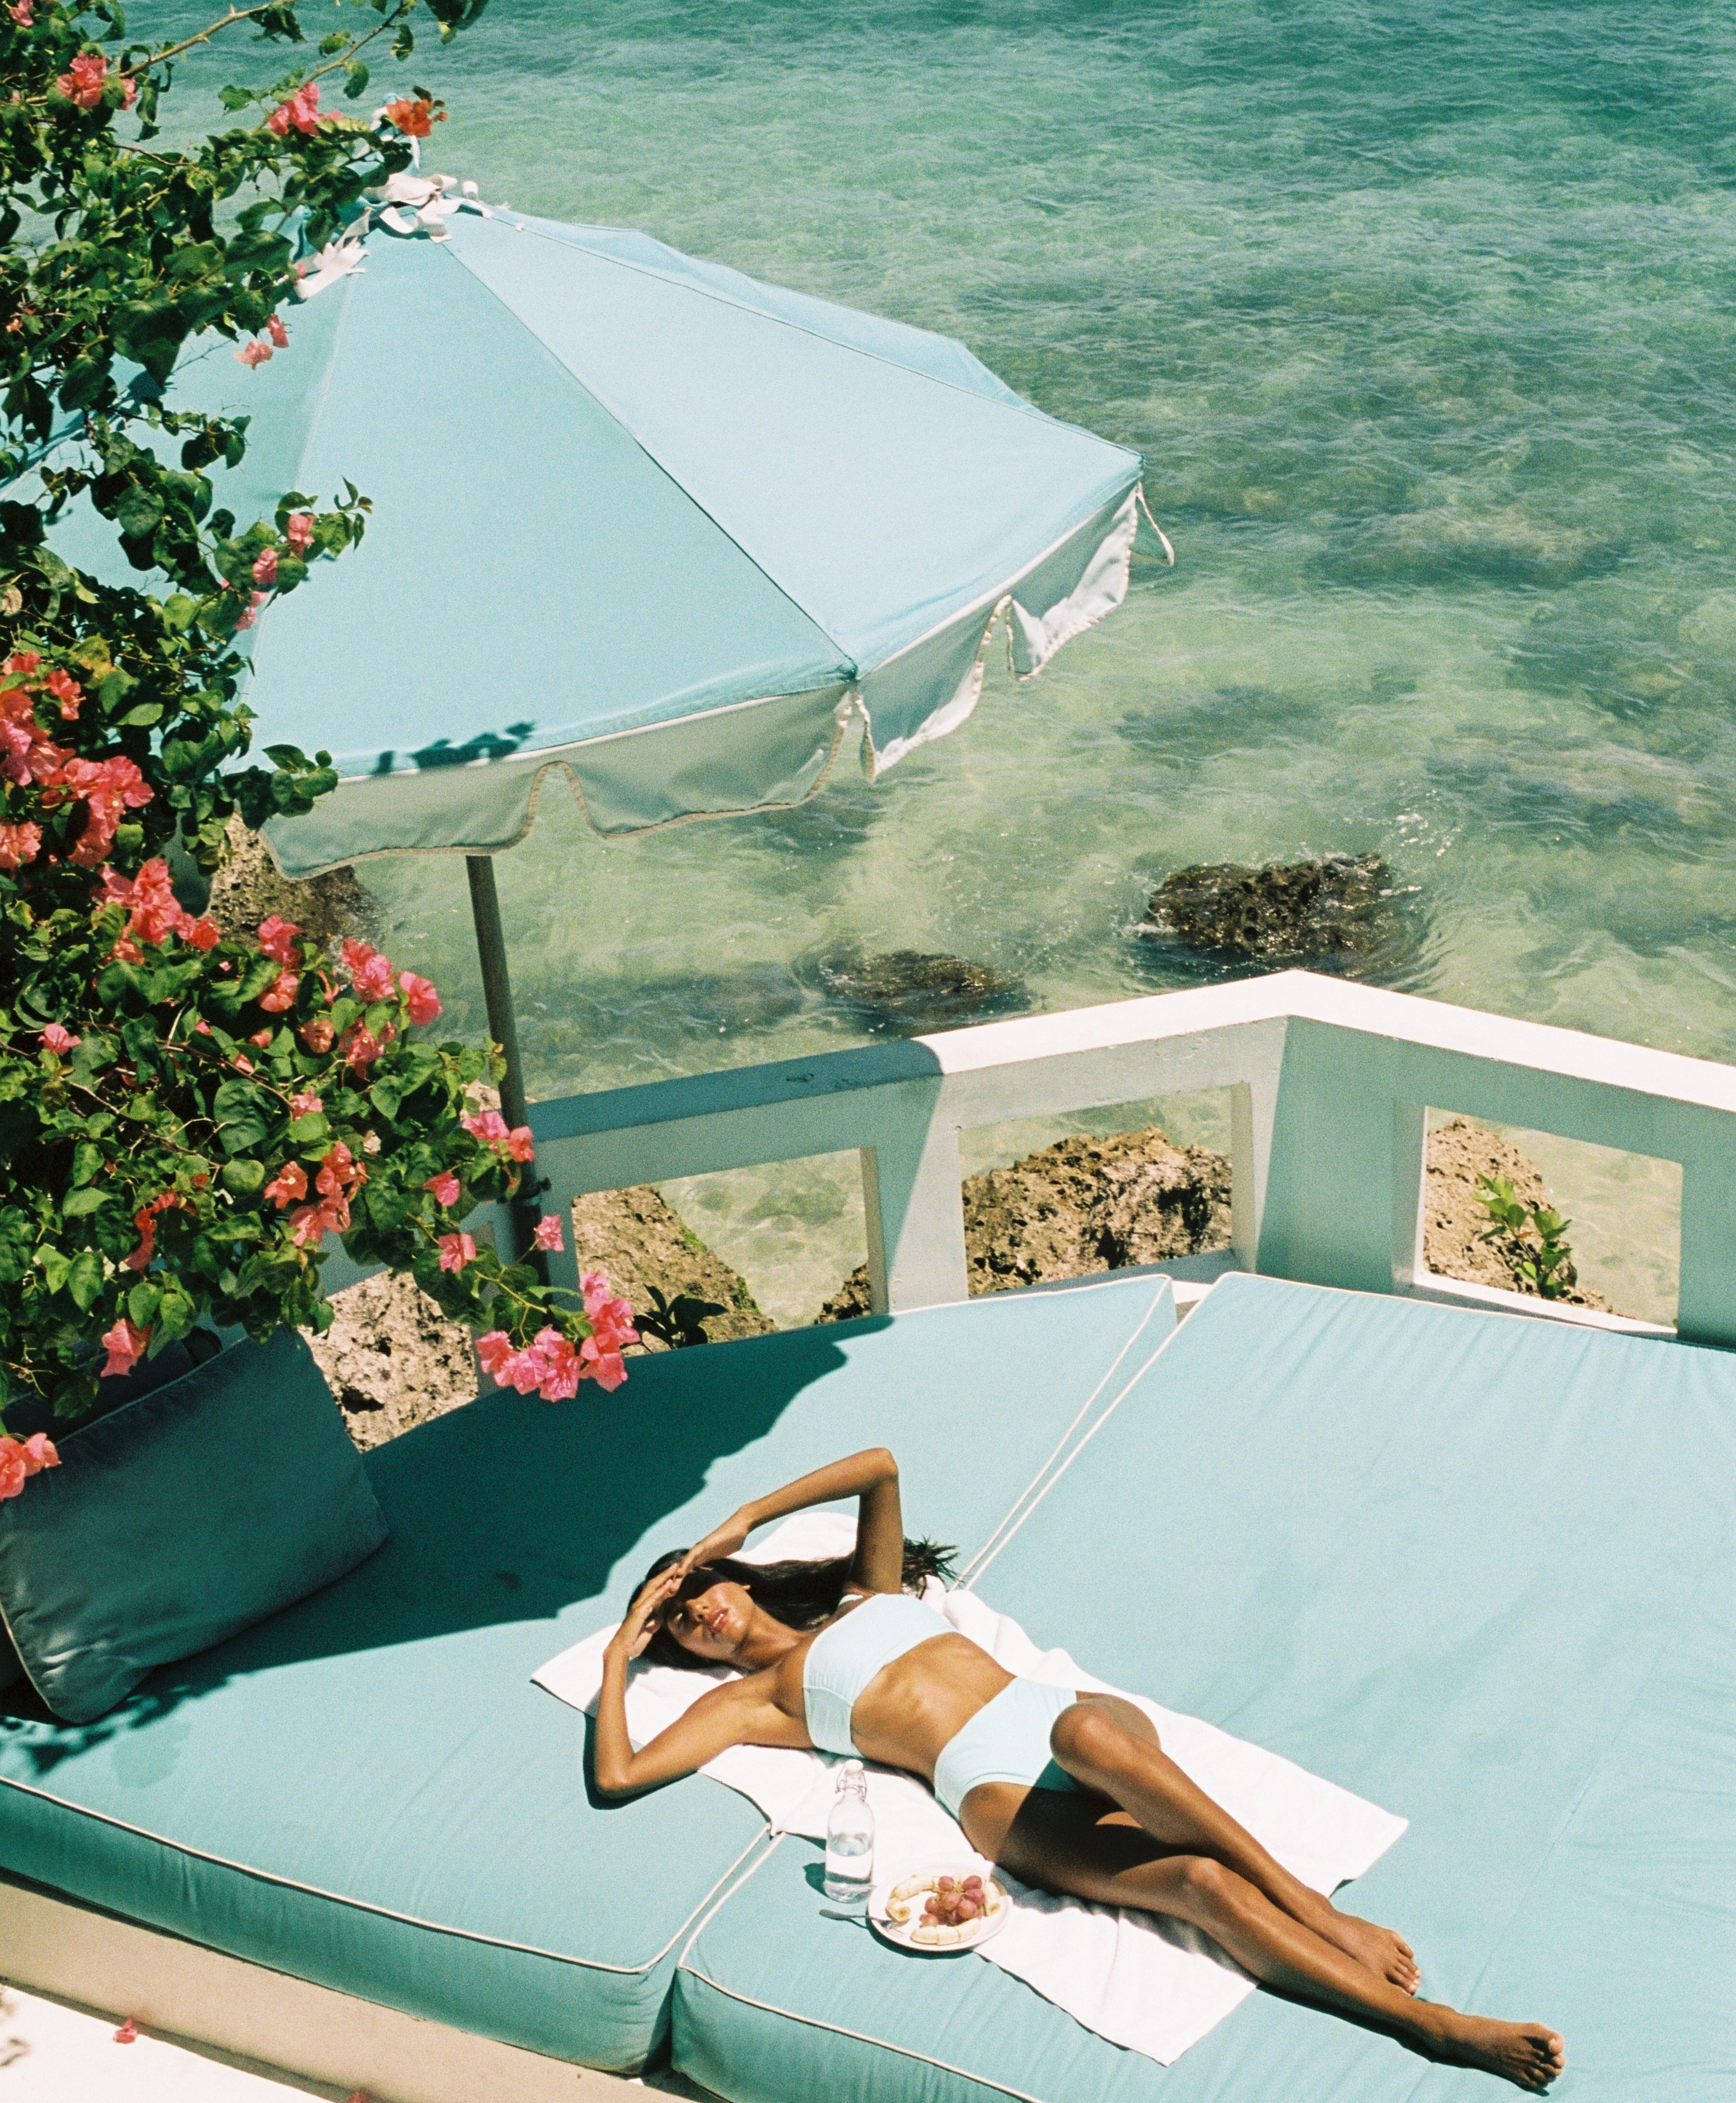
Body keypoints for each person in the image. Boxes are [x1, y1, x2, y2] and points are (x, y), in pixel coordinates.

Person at [596, 1448, 1565, 2092]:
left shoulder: (864, 1590)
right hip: (990, 1788)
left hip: (1057, 1725)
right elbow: (622, 1774)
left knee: (1087, 1737)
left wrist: (744, 1515)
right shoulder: (751, 1701)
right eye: (677, 1619)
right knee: (1193, 1884)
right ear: (683, 1652)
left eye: (698, 1587)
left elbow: (880, 1465)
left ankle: (1313, 1906)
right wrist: (615, 1657)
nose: (699, 1611)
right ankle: (1431, 2027)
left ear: (737, 1572)